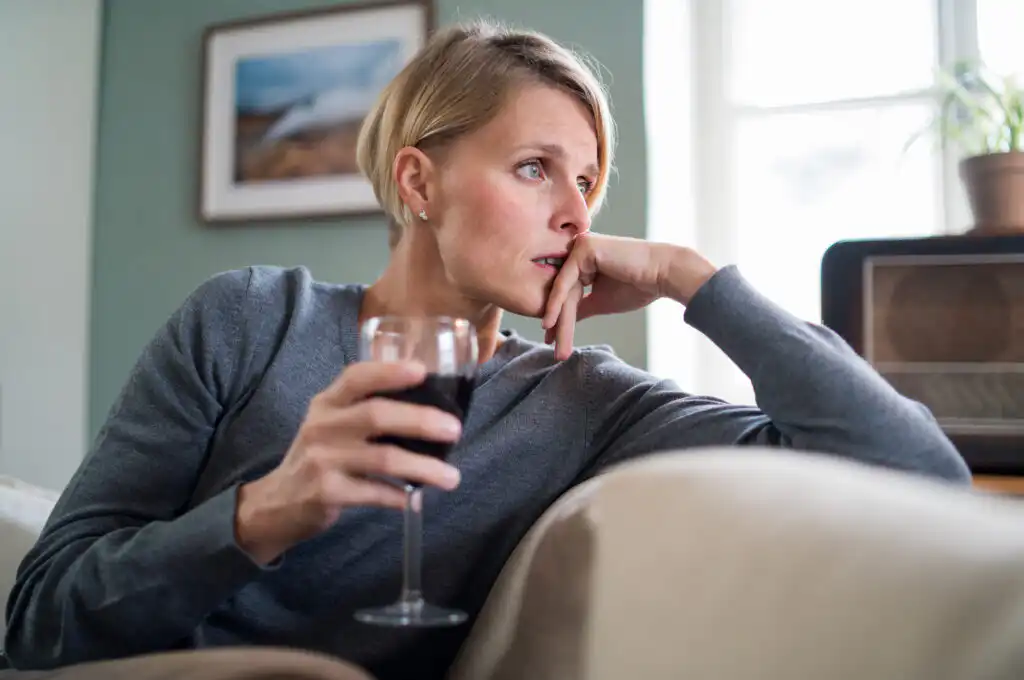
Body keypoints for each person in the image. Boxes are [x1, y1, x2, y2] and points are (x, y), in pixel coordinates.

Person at [4, 18, 970, 680]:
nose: (575, 213)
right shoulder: (248, 320)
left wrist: (691, 278)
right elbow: (40, 621)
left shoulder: (585, 396)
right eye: (534, 168)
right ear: (418, 181)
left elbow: (917, 471)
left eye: (589, 179)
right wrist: (265, 513)